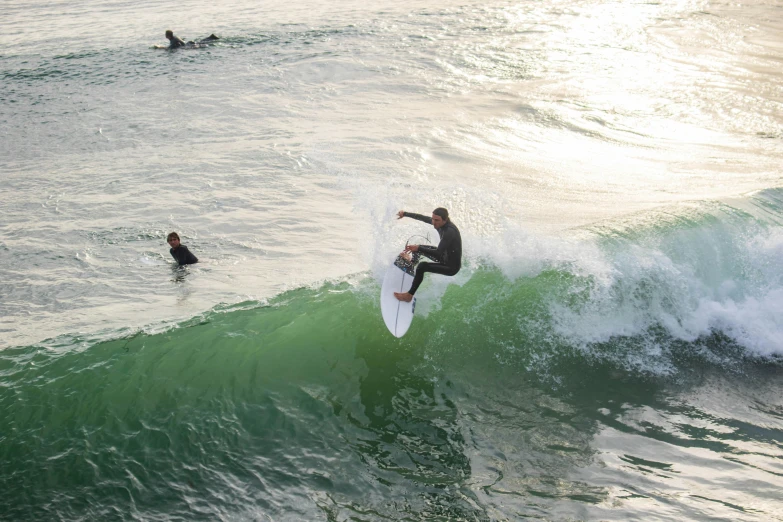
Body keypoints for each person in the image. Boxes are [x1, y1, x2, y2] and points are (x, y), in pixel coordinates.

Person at [394, 208, 461, 302]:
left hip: (451, 266)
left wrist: (418, 248)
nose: (433, 222)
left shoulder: (449, 232)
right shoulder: (438, 222)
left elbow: (438, 252)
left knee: (422, 266)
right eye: (433, 219)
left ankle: (409, 296)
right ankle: (412, 264)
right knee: (419, 248)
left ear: (445, 220)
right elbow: (422, 217)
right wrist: (405, 214)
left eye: (436, 220)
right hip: (444, 255)